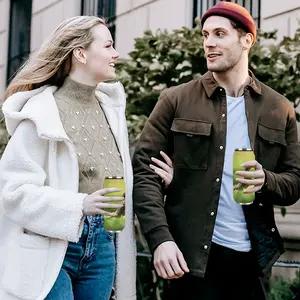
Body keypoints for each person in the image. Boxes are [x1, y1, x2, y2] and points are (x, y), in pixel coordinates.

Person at [132, 2, 300, 300]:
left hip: (253, 262)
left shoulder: (279, 108)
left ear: (246, 39)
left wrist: (266, 181)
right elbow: (144, 173)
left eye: (219, 34)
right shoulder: (175, 99)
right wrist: (160, 240)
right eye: (205, 35)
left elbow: (294, 182)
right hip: (192, 261)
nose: (209, 42)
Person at [0, 16, 144, 300]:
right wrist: (79, 205)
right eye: (108, 45)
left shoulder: (112, 110)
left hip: (104, 243)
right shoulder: (40, 113)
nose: (115, 54)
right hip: (51, 247)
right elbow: (12, 192)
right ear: (80, 53)